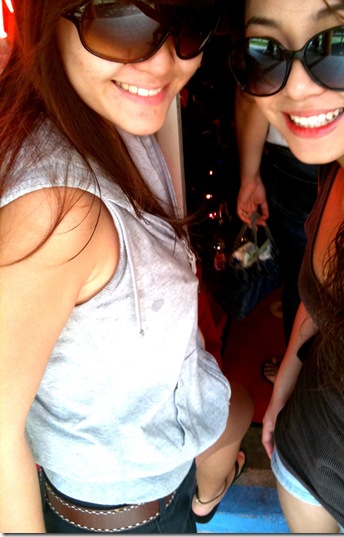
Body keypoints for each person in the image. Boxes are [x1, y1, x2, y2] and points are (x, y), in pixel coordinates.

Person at [0, 0, 253, 533]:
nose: (161, 63)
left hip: (160, 465)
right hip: (129, 517)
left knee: (240, 411)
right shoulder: (58, 215)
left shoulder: (109, 116)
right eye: (121, 18)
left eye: (189, 21)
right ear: (47, 18)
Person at [230, 0, 344, 532]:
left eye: (342, 44)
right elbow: (322, 295)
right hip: (304, 454)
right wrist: (288, 375)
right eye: (266, 52)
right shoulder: (341, 162)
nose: (296, 87)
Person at [235, 88, 318, 383]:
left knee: (303, 273)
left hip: (296, 153)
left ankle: (295, 373)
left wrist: (249, 178)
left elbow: (251, 95)